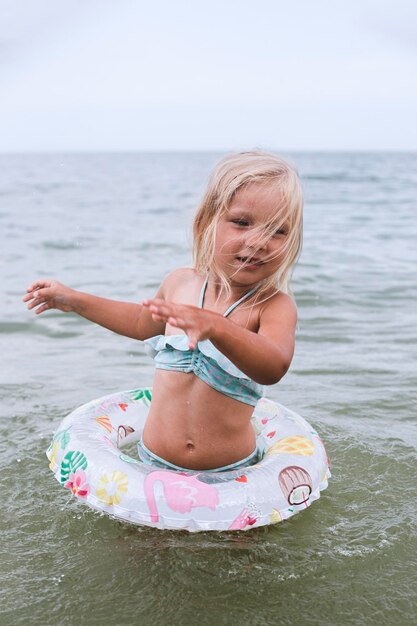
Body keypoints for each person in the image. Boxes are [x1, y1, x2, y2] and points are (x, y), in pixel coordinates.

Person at [23, 151, 303, 473]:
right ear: (206, 223)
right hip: (153, 463)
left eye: (278, 231)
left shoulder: (272, 305)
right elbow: (140, 323)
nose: (259, 241)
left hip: (230, 474)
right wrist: (74, 300)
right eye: (241, 223)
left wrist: (218, 328)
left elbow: (273, 366)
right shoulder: (180, 283)